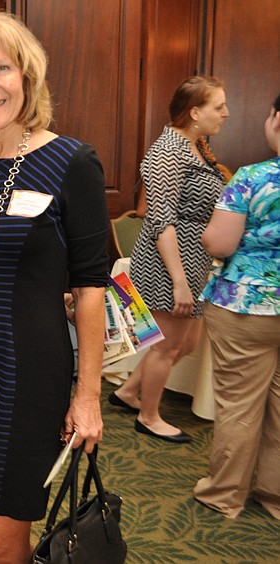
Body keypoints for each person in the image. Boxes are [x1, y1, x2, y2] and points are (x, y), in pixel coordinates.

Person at [0, 12, 109, 562]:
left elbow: (89, 288)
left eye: (1, 69)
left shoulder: (71, 162)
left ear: (27, 78)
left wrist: (87, 397)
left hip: (24, 372)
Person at [111, 75, 229, 443]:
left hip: (193, 259)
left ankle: (129, 392)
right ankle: (148, 415)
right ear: (195, 112)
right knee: (167, 345)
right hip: (168, 261)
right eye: (219, 106)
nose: (226, 113)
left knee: (187, 344)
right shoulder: (167, 152)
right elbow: (160, 220)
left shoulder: (195, 146)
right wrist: (178, 280)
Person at [193, 92, 280, 520]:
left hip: (248, 306)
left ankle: (224, 494)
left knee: (240, 406)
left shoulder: (253, 177)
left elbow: (219, 242)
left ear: (277, 119)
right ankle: (274, 494)